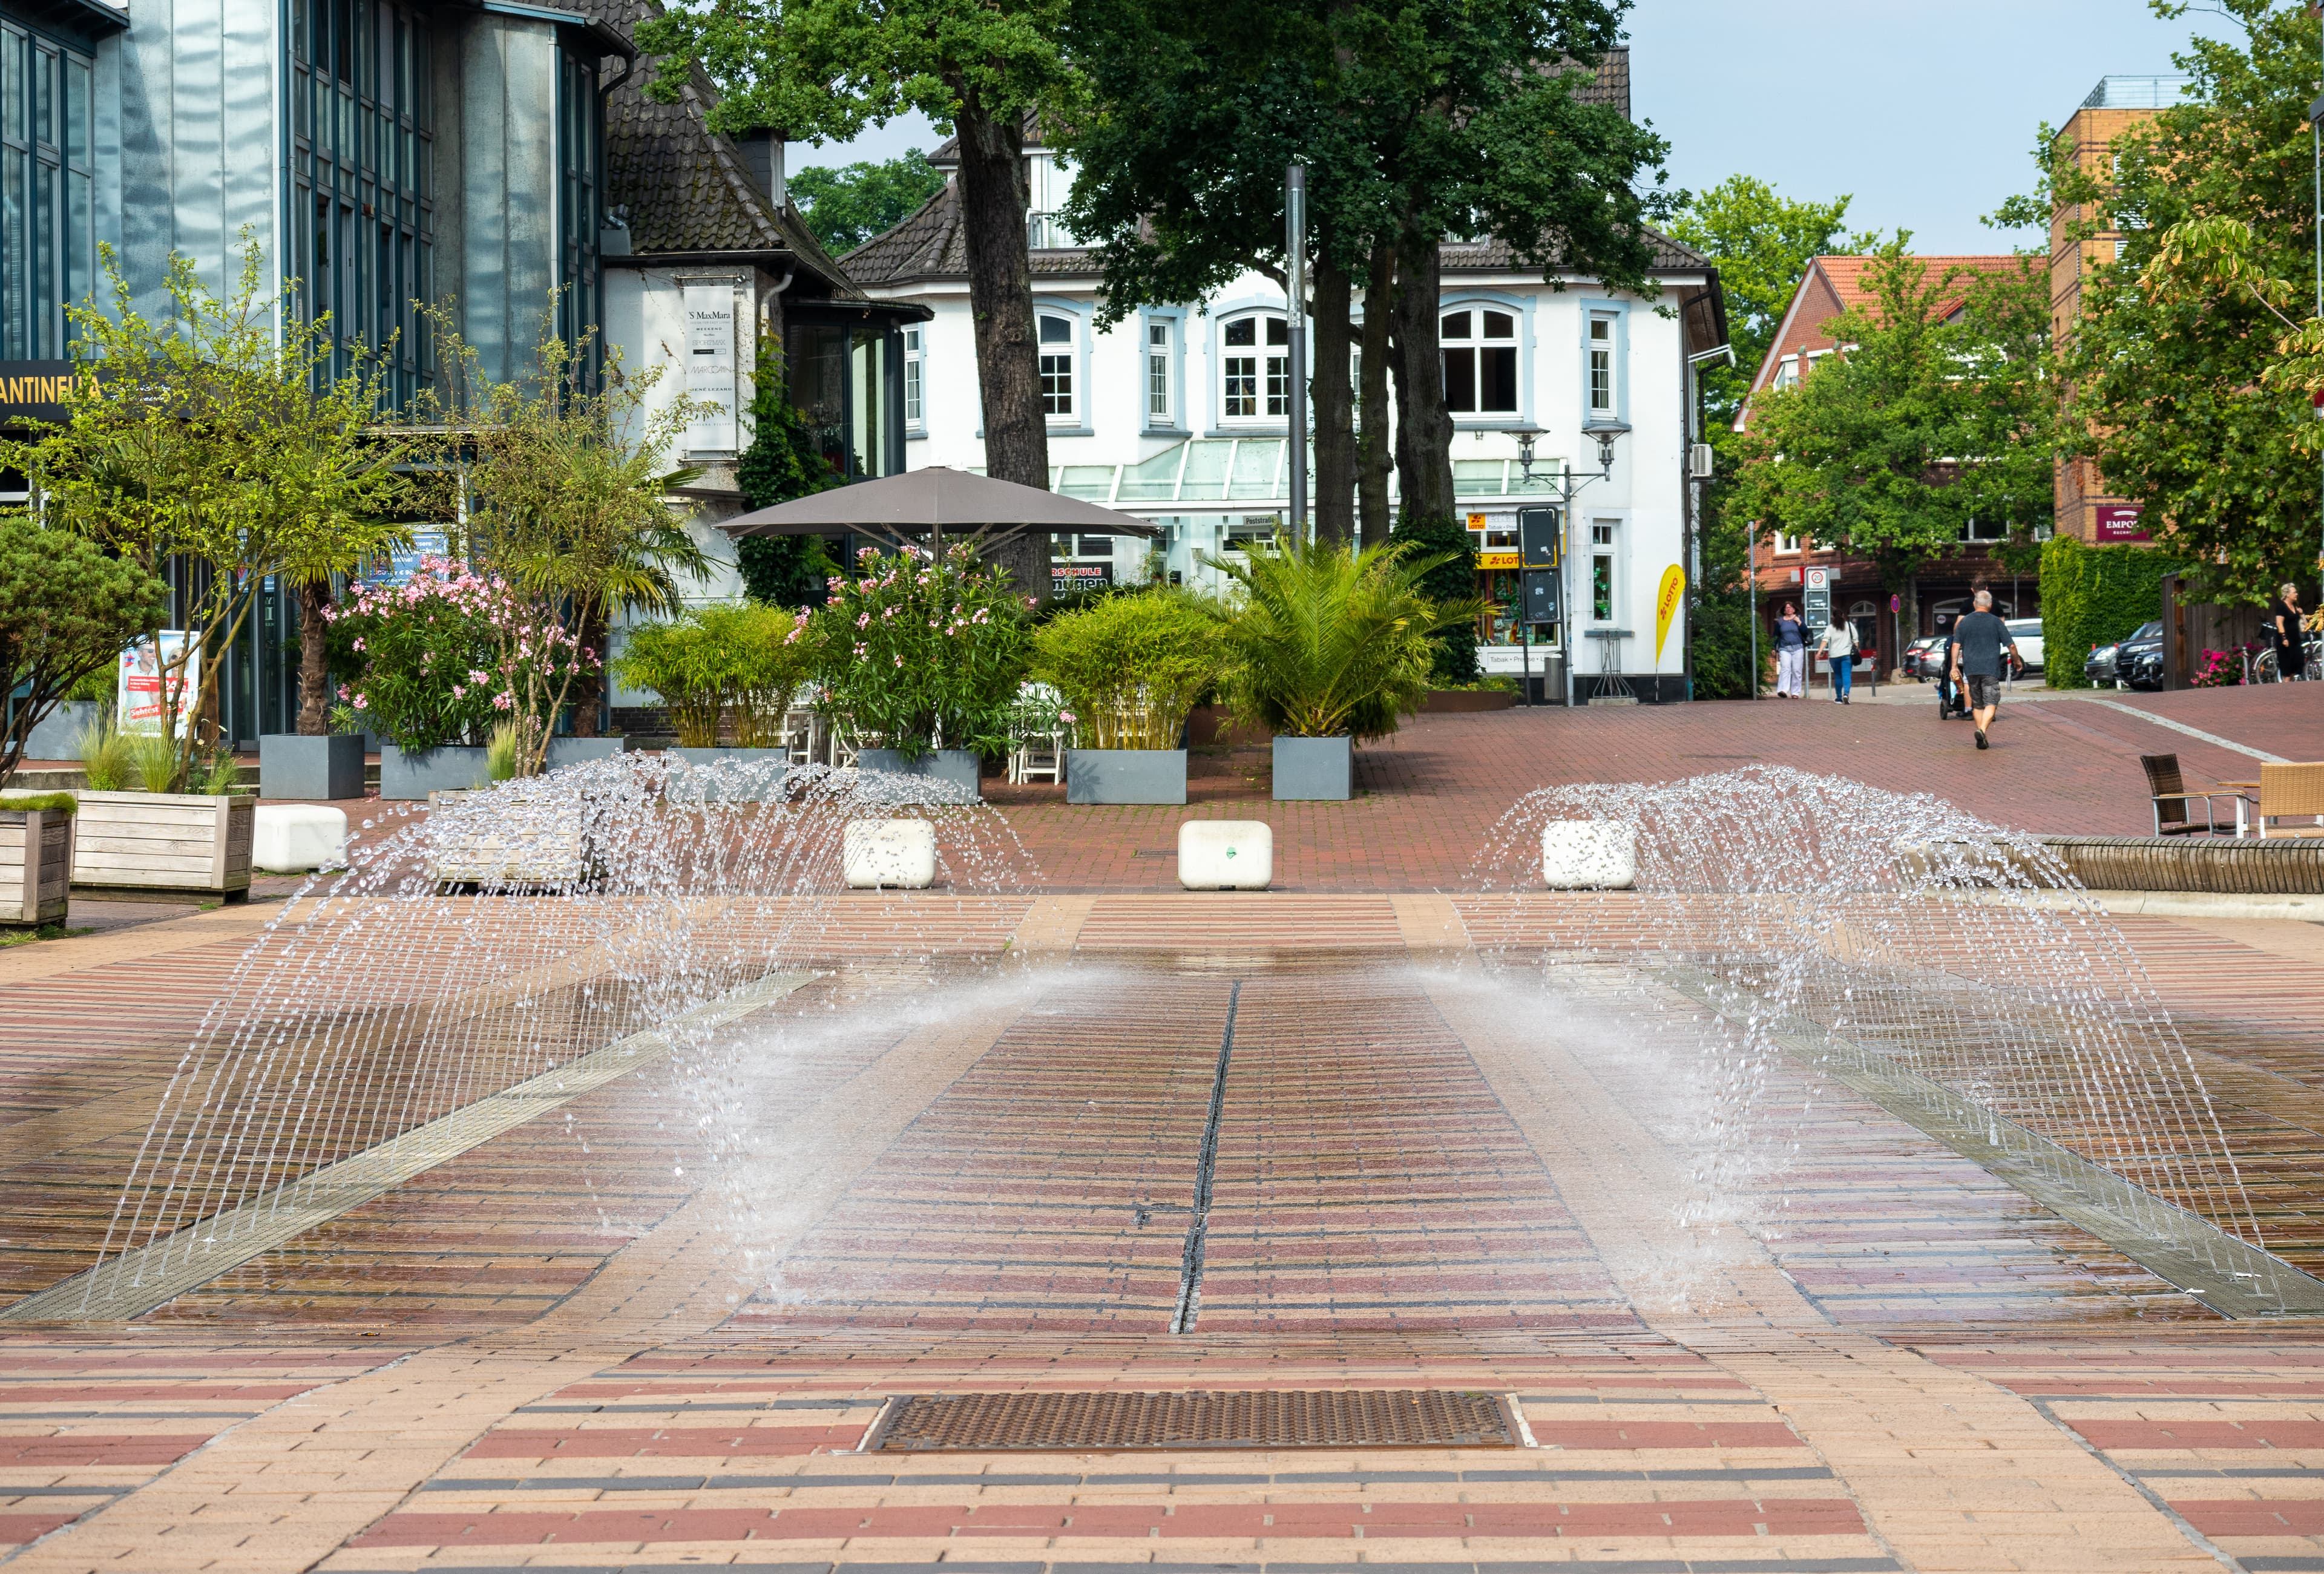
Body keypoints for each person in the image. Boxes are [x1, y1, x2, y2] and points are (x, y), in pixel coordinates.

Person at [1949, 589, 2021, 750]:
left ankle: (1983, 736)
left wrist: (1954, 667)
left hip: (1971, 670)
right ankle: (1982, 730)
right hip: (1990, 669)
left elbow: (1955, 645)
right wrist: (2017, 662)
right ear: (1990, 605)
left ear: (1974, 604)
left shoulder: (1964, 622)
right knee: (1991, 702)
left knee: (1978, 705)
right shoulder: (1996, 622)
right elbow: (2011, 645)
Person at [2272, 582, 2308, 681]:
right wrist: (2284, 638)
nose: (2297, 594)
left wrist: (2302, 614)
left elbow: (2305, 623)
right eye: (2294, 592)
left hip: (2296, 640)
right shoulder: (2281, 606)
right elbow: (2279, 623)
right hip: (2285, 642)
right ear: (2287, 594)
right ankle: (2285, 692)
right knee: (2287, 670)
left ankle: (2288, 687)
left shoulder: (2296, 606)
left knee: (2298, 664)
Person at [1819, 616, 1857, 704]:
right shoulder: (1849, 625)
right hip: (1847, 655)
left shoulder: (1830, 627)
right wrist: (1856, 651)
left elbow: (1825, 640)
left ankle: (1839, 698)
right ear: (1843, 616)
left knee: (1838, 676)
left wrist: (1819, 652)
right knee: (1847, 675)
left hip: (1834, 656)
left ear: (1833, 617)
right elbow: (1855, 640)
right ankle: (1846, 694)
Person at [1773, 604, 1806, 698]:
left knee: (1796, 670)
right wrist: (1773, 647)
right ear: (1784, 610)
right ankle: (1783, 690)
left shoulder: (1799, 618)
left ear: (1794, 609)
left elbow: (1805, 632)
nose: (1789, 609)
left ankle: (1795, 692)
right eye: (1787, 608)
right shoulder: (1780, 621)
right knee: (1785, 669)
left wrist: (1799, 622)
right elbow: (1776, 635)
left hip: (1798, 648)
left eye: (1791, 607)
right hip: (1784, 648)